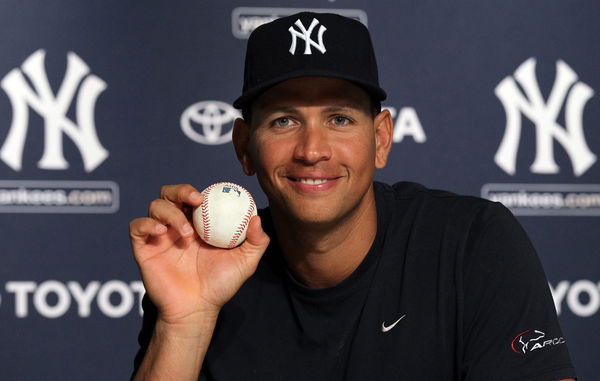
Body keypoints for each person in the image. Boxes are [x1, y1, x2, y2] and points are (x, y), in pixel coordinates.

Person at [129, 12, 576, 380]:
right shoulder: (204, 269)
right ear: (244, 146)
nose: (311, 149)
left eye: (339, 118)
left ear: (381, 139)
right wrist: (185, 323)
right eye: (284, 120)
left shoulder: (472, 244)